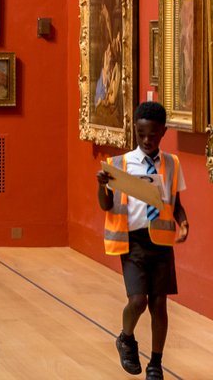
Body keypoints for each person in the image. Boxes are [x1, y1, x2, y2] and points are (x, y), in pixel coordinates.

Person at [96, 102, 189, 379]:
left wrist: (183, 223)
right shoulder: (118, 164)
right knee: (138, 300)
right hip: (132, 241)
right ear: (135, 131)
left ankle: (156, 363)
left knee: (159, 304)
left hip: (160, 242)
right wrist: (101, 185)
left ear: (164, 132)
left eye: (153, 135)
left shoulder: (172, 164)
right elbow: (105, 205)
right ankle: (126, 338)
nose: (147, 140)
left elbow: (176, 202)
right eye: (141, 134)